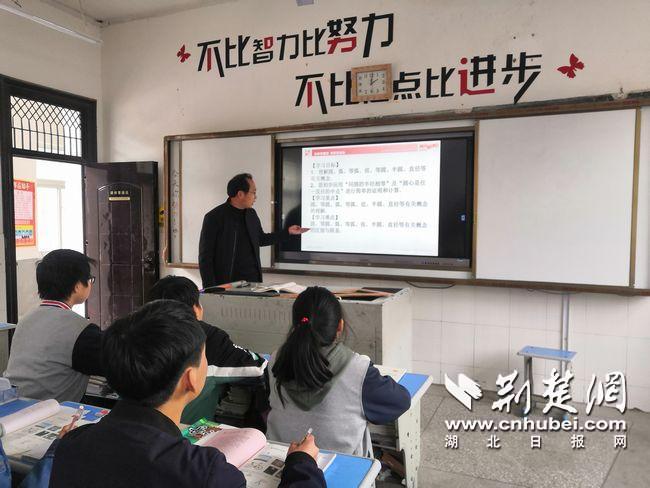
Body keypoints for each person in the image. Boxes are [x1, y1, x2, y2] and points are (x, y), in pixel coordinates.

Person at [50, 300, 326, 488]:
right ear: (190, 379)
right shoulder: (204, 473)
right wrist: (302, 465)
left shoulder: (71, 445)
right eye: (203, 357)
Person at [267, 287, 411, 457]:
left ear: (295, 325)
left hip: (280, 459)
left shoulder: (275, 360)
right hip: (340, 466)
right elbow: (401, 401)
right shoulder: (358, 370)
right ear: (340, 326)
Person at [147, 275, 267, 424]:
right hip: (190, 433)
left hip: (136, 429)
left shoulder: (134, 335)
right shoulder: (209, 337)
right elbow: (260, 368)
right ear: (195, 308)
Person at [4, 249, 102, 402]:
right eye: (90, 279)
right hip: (49, 411)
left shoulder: (26, 320)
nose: (90, 284)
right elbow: (116, 364)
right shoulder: (80, 329)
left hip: (12, 404)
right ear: (77, 285)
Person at [198, 173, 309, 288]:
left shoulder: (251, 214)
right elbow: (205, 257)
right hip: (226, 284)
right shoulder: (214, 217)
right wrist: (210, 289)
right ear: (240, 194)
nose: (255, 197)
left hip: (252, 282)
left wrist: (287, 232)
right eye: (253, 192)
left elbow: (261, 239)